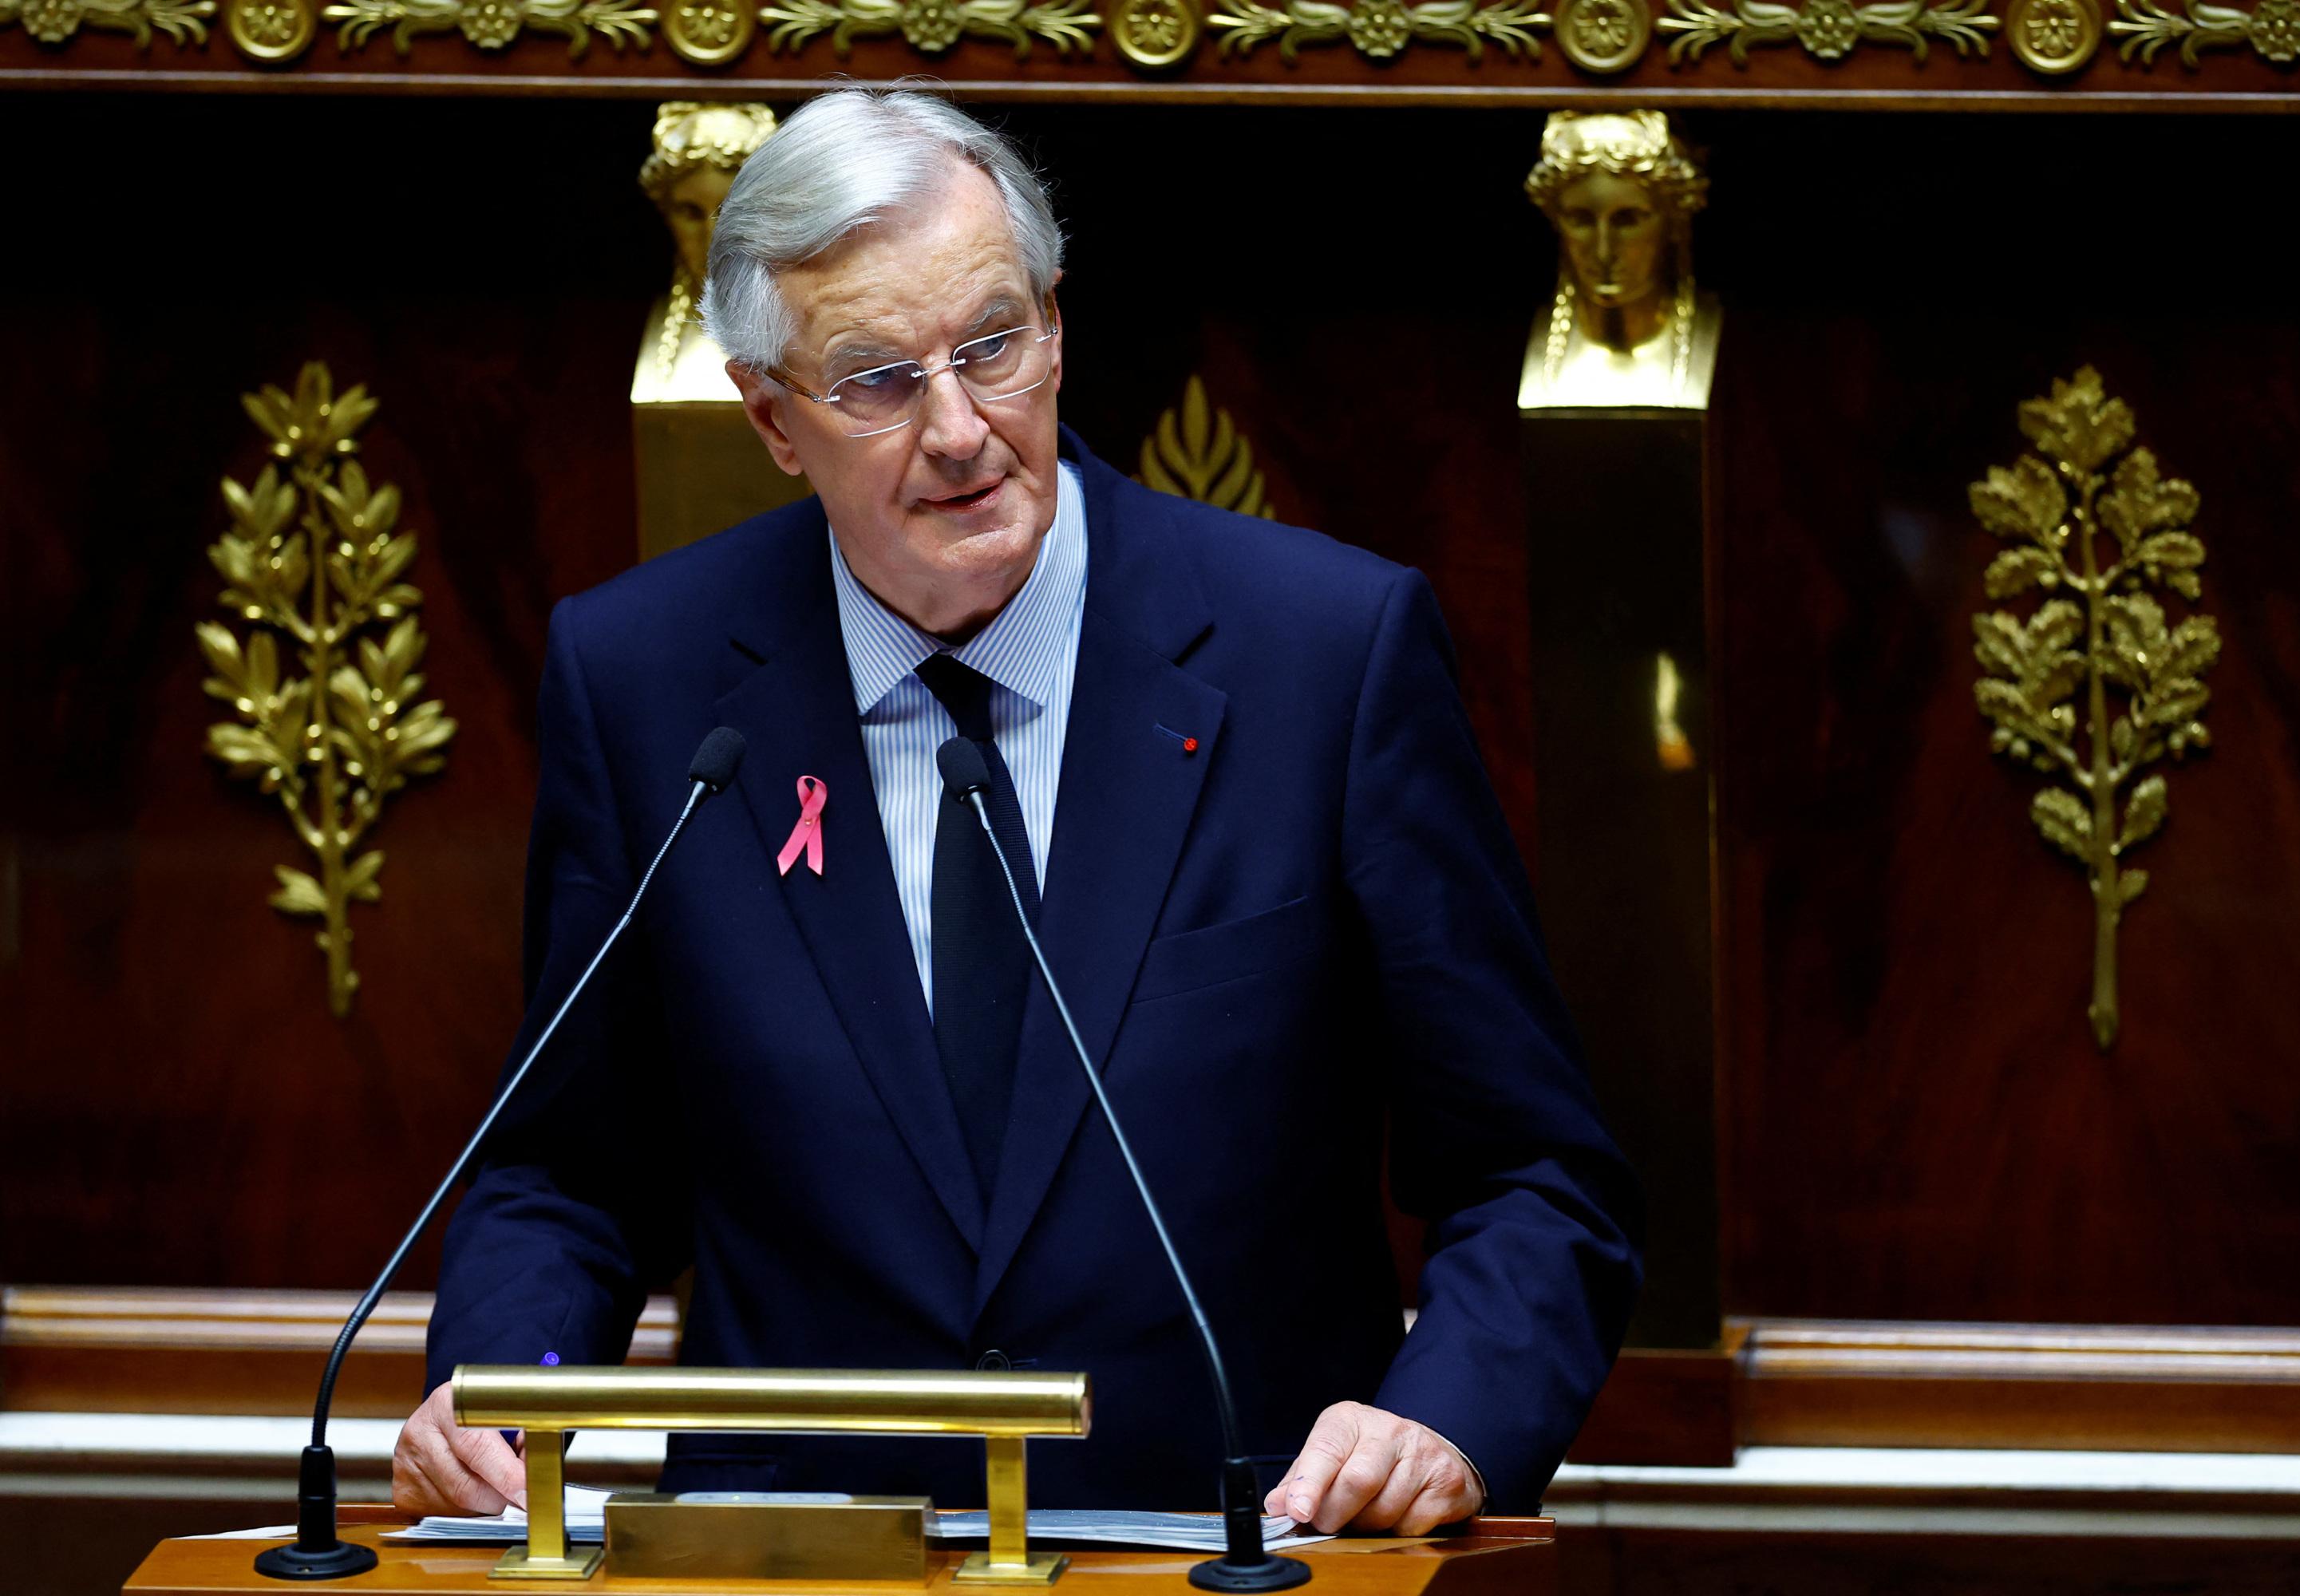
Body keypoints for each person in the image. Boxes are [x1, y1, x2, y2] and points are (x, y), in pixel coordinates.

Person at [396, 87, 1641, 1537]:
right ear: (771, 418)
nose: (960, 429)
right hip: (802, 1567)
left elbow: (1534, 1171)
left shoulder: (1323, 656)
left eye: (993, 345)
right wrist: (514, 1392)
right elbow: (568, 1168)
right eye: (874, 380)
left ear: (1057, 323)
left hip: (1237, 1552)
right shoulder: (650, 683)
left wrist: (1446, 1418)